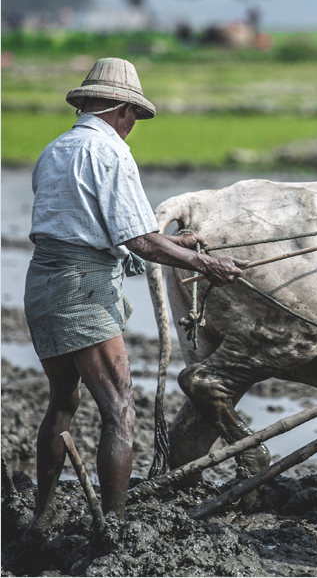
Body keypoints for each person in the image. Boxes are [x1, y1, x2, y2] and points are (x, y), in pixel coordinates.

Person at [23, 57, 246, 531]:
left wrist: (180, 243)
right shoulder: (110, 153)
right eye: (133, 119)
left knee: (62, 400)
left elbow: (92, 226)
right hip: (81, 288)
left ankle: (42, 516)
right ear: (122, 110)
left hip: (43, 281)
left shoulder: (56, 149)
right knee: (120, 408)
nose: (132, 129)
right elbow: (139, 241)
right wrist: (205, 264)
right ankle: (114, 524)